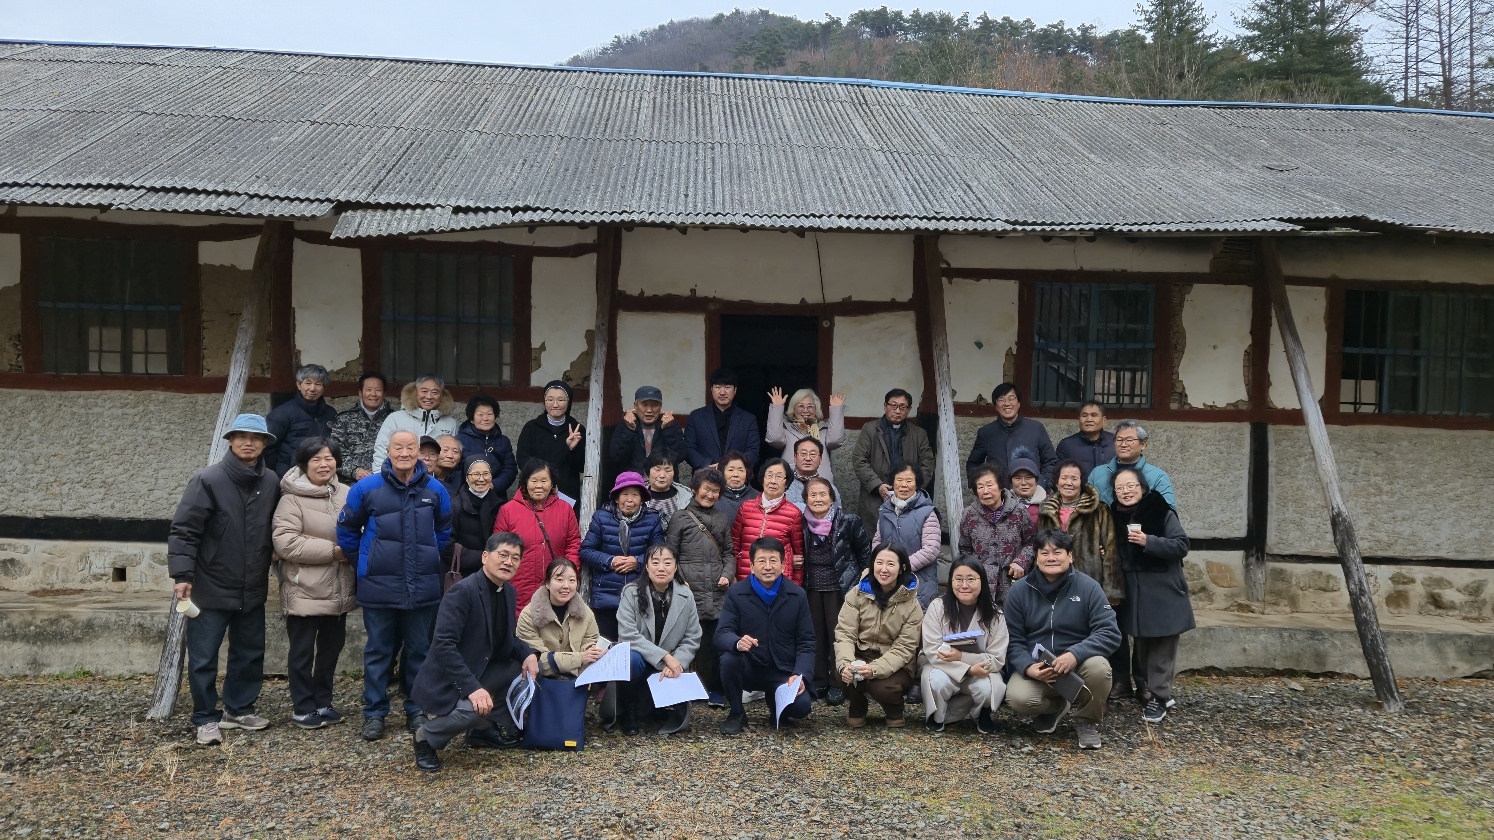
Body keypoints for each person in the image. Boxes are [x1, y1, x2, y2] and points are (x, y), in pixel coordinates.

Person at [168, 413, 280, 746]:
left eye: (256, 437)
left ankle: (239, 708)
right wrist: (182, 575)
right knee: (203, 656)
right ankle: (205, 717)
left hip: (252, 582)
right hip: (211, 582)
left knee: (249, 651)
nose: (249, 442)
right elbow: (185, 530)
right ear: (230, 440)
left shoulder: (271, 480)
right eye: (242, 436)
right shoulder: (208, 479)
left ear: (264, 444)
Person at [337, 428, 452, 741]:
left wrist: (425, 557)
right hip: (378, 585)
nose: (405, 453)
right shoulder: (367, 488)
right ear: (388, 451)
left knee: (419, 651)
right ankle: (375, 713)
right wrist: (365, 560)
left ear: (419, 452)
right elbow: (346, 530)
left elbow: (443, 532)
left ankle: (415, 710)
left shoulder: (435, 489)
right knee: (378, 652)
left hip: (423, 585)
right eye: (398, 447)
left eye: (410, 447)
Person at [410, 533, 539, 773]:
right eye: (502, 555)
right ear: (484, 557)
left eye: (515, 558)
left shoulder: (508, 592)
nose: (508, 562)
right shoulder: (463, 592)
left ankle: (481, 730)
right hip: (450, 678)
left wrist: (528, 654)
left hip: (481, 666)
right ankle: (426, 736)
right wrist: (472, 688)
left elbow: (506, 638)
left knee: (519, 672)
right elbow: (443, 645)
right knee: (473, 707)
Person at [1004, 529, 1120, 751]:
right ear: (1036, 557)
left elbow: (1109, 632)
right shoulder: (1019, 591)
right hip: (1040, 668)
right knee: (1018, 699)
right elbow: (1013, 639)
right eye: (1044, 552)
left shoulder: (1088, 587)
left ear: (1070, 556)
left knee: (1099, 668)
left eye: (1057, 552)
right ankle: (1057, 707)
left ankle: (1087, 721)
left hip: (1078, 664)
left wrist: (1075, 654)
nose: (1051, 558)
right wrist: (1028, 667)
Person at [271, 437, 355, 730]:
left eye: (329, 458)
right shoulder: (291, 498)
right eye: (316, 459)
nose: (324, 464)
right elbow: (285, 542)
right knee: (302, 651)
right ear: (304, 463)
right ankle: (303, 706)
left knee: (331, 650)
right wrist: (333, 552)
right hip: (304, 586)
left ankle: (323, 701)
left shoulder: (346, 493)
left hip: (339, 587)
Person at [1109, 468, 1194, 724]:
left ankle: (1159, 696)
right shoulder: (1113, 516)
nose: (1125, 491)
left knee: (1161, 649)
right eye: (1119, 487)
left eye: (1131, 485)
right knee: (1144, 647)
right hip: (1135, 596)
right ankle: (1152, 691)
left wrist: (1149, 541)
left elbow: (1181, 545)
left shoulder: (1160, 510)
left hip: (1163, 592)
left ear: (1142, 487)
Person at [714, 537, 816, 735]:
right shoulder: (737, 593)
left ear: (784, 565)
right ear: (751, 566)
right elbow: (721, 634)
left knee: (801, 707)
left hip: (783, 669)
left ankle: (776, 704)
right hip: (750, 666)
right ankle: (736, 713)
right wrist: (737, 642)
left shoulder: (797, 595)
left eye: (773, 560)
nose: (767, 566)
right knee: (728, 659)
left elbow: (807, 641)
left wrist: (800, 674)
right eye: (761, 561)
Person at [664, 466, 734, 707]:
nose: (711, 495)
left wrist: (727, 573)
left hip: (717, 591)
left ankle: (715, 689)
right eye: (706, 489)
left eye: (716, 491)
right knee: (688, 641)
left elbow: (728, 553)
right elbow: (670, 554)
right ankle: (687, 688)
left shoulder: (722, 518)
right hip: (688, 590)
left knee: (714, 643)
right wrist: (681, 581)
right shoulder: (680, 518)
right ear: (694, 489)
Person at [617, 544, 703, 735]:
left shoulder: (685, 595)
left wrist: (677, 660)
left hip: (672, 662)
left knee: (672, 718)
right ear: (646, 567)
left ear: (676, 566)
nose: (661, 568)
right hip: (642, 660)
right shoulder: (630, 592)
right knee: (629, 659)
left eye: (667, 563)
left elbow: (693, 635)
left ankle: (663, 708)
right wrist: (664, 656)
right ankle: (628, 713)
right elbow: (627, 634)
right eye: (655, 562)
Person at [833, 543, 922, 728]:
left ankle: (895, 709)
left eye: (890, 564)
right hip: (861, 655)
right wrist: (846, 664)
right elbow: (845, 633)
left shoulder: (912, 604)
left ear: (901, 568)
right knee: (842, 673)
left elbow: (904, 648)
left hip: (897, 664)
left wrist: (874, 669)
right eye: (879, 562)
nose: (883, 569)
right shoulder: (857, 594)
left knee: (881, 686)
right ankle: (857, 705)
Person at [800, 476, 871, 705]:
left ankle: (838, 682)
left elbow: (865, 554)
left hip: (840, 587)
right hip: (810, 586)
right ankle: (819, 680)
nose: (818, 499)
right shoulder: (799, 522)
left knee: (838, 635)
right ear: (806, 499)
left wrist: (862, 584)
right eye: (813, 495)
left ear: (832, 497)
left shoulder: (848, 521)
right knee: (814, 635)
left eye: (823, 494)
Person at [921, 556, 1007, 734]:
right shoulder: (937, 607)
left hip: (981, 670)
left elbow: (997, 659)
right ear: (951, 581)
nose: (964, 585)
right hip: (942, 667)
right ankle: (938, 715)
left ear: (982, 581)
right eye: (958, 579)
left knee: (987, 688)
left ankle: (980, 714)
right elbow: (932, 649)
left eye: (971, 579)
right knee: (936, 681)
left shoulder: (995, 615)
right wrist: (967, 670)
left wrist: (962, 657)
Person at [580, 471, 664, 644]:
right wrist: (610, 561)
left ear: (642, 499)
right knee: (605, 650)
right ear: (616, 498)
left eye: (635, 494)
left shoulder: (652, 519)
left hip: (641, 599)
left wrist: (638, 562)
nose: (629, 499)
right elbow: (586, 551)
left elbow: (659, 554)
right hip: (606, 599)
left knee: (637, 652)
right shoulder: (601, 517)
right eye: (624, 494)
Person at [491, 458, 582, 616]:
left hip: (555, 586)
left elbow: (573, 544)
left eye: (544, 480)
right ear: (525, 482)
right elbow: (499, 547)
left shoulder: (565, 509)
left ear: (552, 483)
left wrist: (566, 574)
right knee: (519, 633)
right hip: (517, 585)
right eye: (534, 480)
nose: (539, 485)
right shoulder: (508, 510)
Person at [850, 388, 935, 536]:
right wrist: (877, 485)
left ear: (908, 410)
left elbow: (927, 463)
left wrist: (913, 485)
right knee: (875, 539)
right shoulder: (870, 429)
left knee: (908, 539)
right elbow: (859, 460)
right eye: (893, 405)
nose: (897, 411)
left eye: (903, 407)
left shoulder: (918, 434)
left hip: (909, 495)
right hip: (876, 495)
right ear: (885, 406)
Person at [958, 463, 1035, 607]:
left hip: (1013, 581)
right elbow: (965, 548)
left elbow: (1031, 542)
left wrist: (1021, 562)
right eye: (980, 487)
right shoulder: (969, 514)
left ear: (1000, 486)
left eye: (989, 485)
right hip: (981, 583)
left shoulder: (1019, 511)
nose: (985, 491)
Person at [516, 557, 604, 680]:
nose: (566, 586)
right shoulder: (529, 614)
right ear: (547, 583)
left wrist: (591, 651)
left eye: (572, 580)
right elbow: (535, 659)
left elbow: (590, 640)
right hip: (541, 681)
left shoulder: (585, 612)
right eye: (559, 579)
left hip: (576, 681)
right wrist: (580, 658)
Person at [873, 464, 941, 611]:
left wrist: (901, 567)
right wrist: (883, 565)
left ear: (917, 484)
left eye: (909, 480)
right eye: (899, 480)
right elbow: (877, 542)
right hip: (888, 582)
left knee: (917, 628)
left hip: (920, 584)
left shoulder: (927, 512)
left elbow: (931, 550)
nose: (904, 485)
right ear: (892, 483)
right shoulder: (884, 511)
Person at [965, 383, 1058, 489]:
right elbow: (974, 464)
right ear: (996, 406)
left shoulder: (1036, 428)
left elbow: (1051, 461)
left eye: (1011, 398)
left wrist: (1043, 483)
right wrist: (981, 487)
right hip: (999, 496)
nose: (1007, 403)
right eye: (1001, 400)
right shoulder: (986, 433)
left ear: (1018, 403)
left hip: (1032, 495)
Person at [731, 458, 806, 584]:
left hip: (778, 581)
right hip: (745, 577)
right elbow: (734, 546)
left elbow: (798, 558)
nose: (773, 481)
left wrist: (795, 588)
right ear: (763, 479)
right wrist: (732, 576)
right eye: (769, 475)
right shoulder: (746, 507)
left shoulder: (794, 513)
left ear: (786, 483)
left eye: (779, 477)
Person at [515, 380, 586, 502]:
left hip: (566, 491)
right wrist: (541, 480)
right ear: (544, 401)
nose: (555, 404)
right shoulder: (532, 427)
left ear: (568, 402)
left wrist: (571, 449)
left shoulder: (577, 429)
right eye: (550, 399)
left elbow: (582, 466)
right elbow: (522, 459)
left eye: (561, 400)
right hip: (536, 489)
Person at [372, 374, 461, 471]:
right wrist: (380, 478)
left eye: (435, 392)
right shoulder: (395, 418)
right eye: (424, 391)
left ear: (442, 396)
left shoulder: (450, 423)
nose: (429, 396)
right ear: (415, 393)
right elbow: (381, 451)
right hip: (398, 477)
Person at [265, 364, 338, 477]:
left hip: (323, 473)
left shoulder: (330, 413)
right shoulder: (282, 413)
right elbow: (268, 447)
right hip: (291, 475)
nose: (312, 388)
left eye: (318, 384)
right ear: (299, 385)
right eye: (308, 383)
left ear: (324, 388)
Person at [684, 368, 760, 471]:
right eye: (718, 387)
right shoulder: (696, 416)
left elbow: (753, 451)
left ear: (735, 390)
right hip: (704, 476)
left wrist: (732, 467)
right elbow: (688, 448)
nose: (722, 392)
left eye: (727, 387)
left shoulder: (748, 419)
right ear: (711, 389)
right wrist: (708, 465)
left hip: (737, 477)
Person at [1089, 420, 1177, 508]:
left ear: (1143, 444)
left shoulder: (1158, 476)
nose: (1123, 444)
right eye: (1119, 440)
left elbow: (1168, 512)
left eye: (1129, 440)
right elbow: (1086, 507)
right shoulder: (1097, 473)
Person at [764, 387, 845, 478]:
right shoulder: (787, 429)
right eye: (801, 406)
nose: (805, 410)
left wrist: (836, 409)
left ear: (816, 409)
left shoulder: (823, 429)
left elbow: (836, 440)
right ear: (793, 409)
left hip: (820, 483)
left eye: (810, 406)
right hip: (792, 483)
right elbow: (774, 439)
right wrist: (777, 408)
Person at [444, 457, 504, 578]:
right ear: (466, 478)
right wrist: (484, 558)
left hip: (494, 573)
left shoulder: (501, 506)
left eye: (486, 474)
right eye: (476, 474)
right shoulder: (455, 506)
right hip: (463, 574)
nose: (481, 479)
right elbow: (447, 546)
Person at [330, 371, 394, 484]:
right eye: (368, 390)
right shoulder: (344, 419)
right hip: (349, 482)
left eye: (378, 390)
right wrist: (355, 471)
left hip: (386, 481)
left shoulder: (394, 419)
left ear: (384, 393)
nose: (373, 394)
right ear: (360, 392)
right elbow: (335, 454)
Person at [610, 384, 685, 475]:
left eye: (654, 405)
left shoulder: (671, 426)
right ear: (635, 406)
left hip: (663, 481)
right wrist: (629, 430)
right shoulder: (624, 426)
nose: (649, 410)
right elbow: (616, 458)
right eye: (644, 405)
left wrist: (667, 430)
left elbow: (680, 457)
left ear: (660, 407)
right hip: (633, 482)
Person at [456, 394, 518, 498]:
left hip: (496, 496)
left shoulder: (503, 441)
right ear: (471, 418)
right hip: (466, 496)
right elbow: (455, 470)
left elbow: (510, 469)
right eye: (480, 414)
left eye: (489, 414)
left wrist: (494, 485)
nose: (485, 418)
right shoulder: (460, 440)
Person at [1055, 401, 1115, 482]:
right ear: (1079, 420)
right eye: (1084, 415)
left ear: (1103, 420)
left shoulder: (1115, 442)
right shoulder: (1067, 445)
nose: (1089, 419)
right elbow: (1057, 476)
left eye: (1094, 415)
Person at [784, 437, 840, 512]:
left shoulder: (830, 488)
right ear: (795, 457)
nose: (807, 458)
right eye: (803, 454)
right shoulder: (783, 486)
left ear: (820, 459)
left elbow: (837, 518)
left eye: (813, 454)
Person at [641, 449, 693, 529]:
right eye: (657, 470)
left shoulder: (686, 497)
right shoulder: (638, 496)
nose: (662, 475)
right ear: (648, 472)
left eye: (668, 470)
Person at [713, 450, 760, 524]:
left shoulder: (758, 497)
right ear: (722, 473)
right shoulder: (713, 496)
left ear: (747, 473)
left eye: (740, 470)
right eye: (731, 470)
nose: (735, 474)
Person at [1007, 448, 1047, 528]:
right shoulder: (1002, 503)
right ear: (1011, 482)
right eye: (1018, 478)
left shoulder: (1050, 503)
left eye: (1028, 478)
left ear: (1036, 481)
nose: (1024, 483)